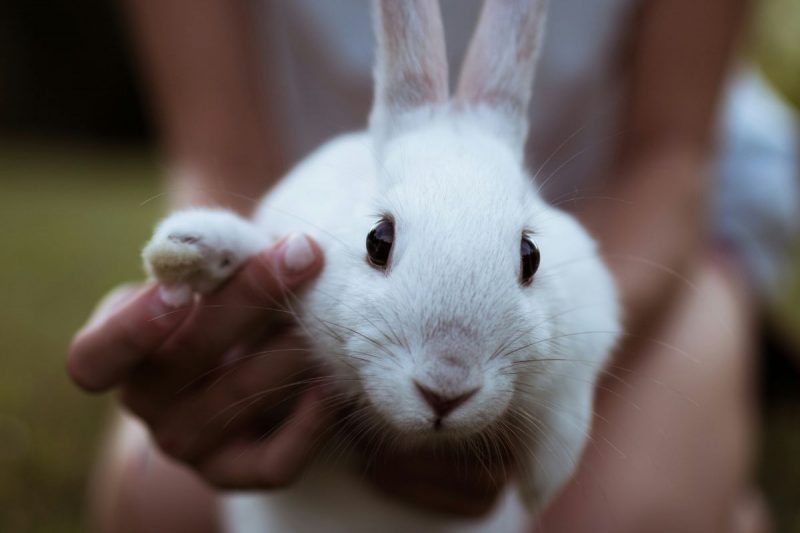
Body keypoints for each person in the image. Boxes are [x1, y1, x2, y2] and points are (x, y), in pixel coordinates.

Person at [68, 0, 798, 531]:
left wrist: (550, 391)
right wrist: (225, 309)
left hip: (639, 205)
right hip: (340, 177)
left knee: (628, 515)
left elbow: (670, 156)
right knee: (164, 502)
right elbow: (220, 158)